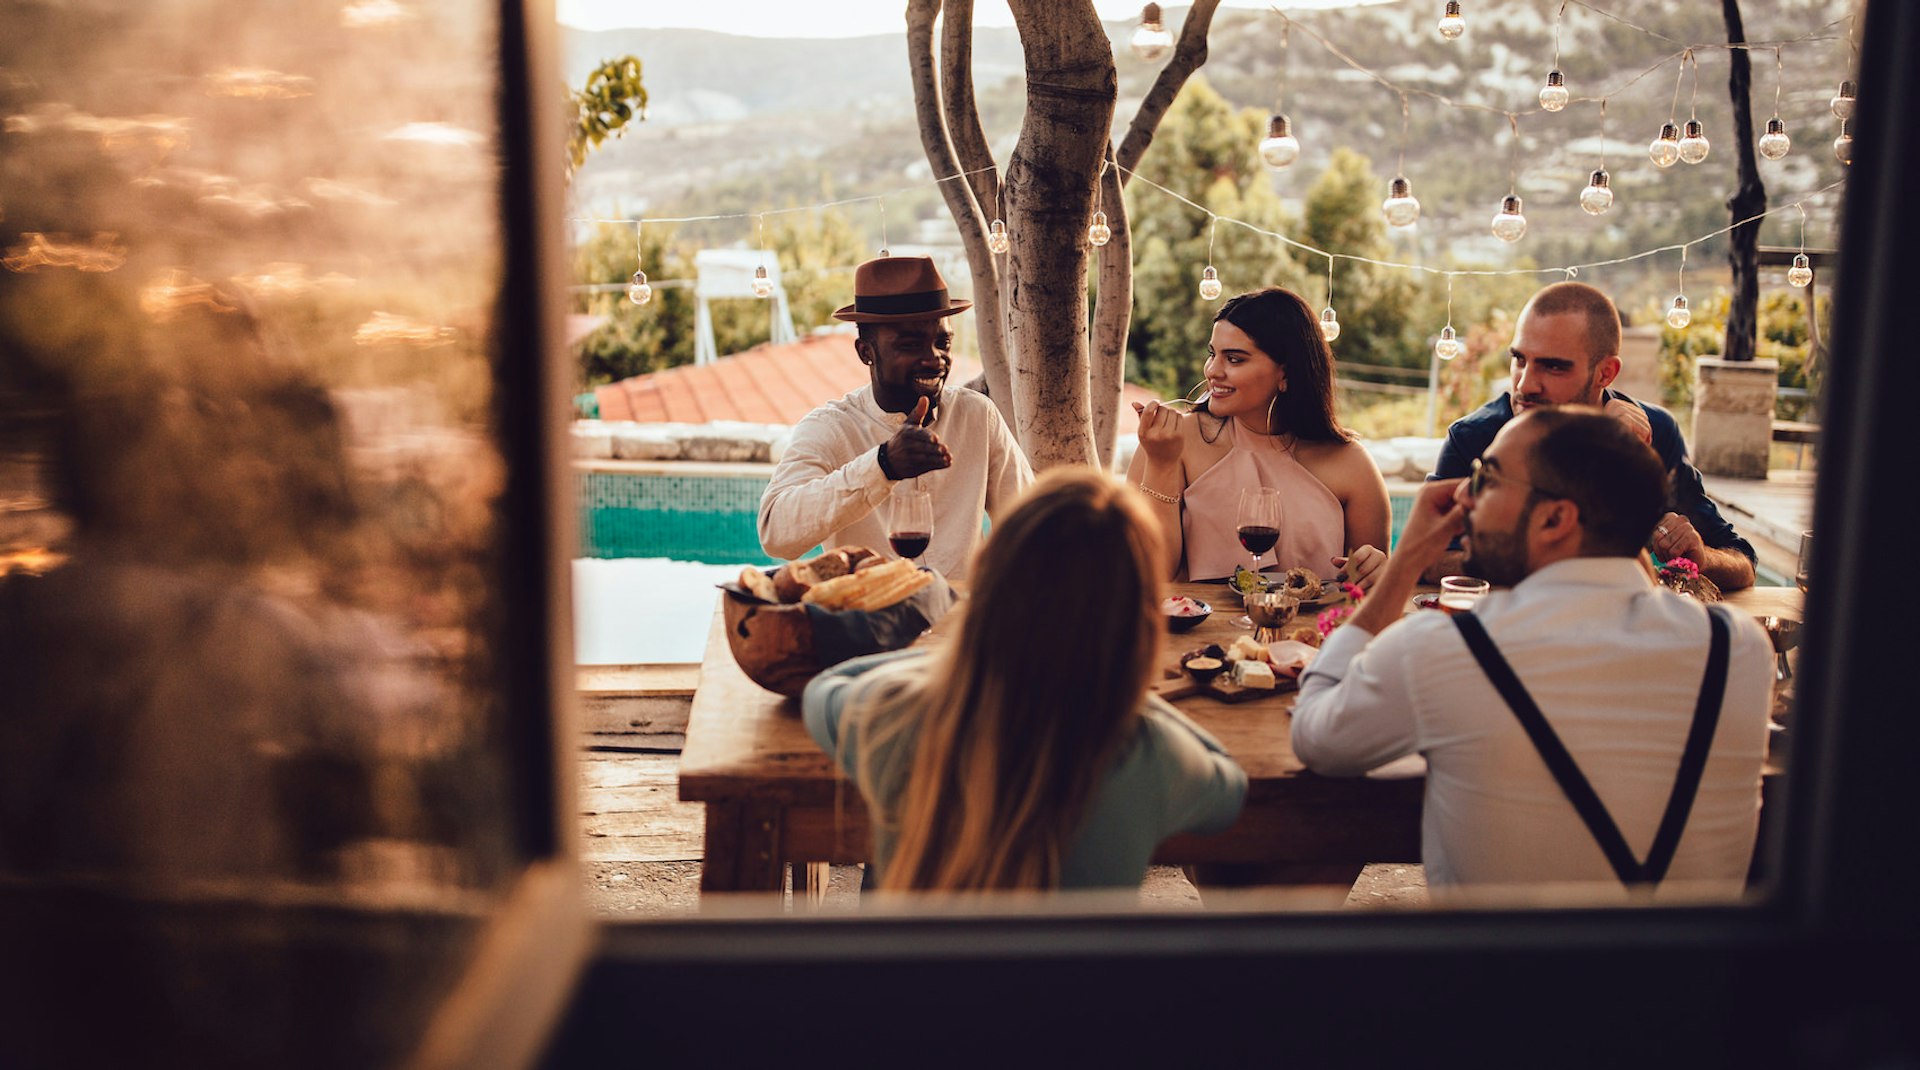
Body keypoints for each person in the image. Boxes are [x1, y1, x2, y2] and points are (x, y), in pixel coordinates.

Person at [1291, 407, 1773, 893]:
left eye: (1488, 478)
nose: (1464, 493)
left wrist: (1406, 560)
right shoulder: (1740, 651)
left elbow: (1316, 736)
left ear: (1556, 518)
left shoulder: (1444, 650)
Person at [801, 468, 1247, 891]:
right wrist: (1130, 693)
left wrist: (952, 664)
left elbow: (824, 687)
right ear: (1138, 620)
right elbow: (1230, 784)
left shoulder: (893, 714)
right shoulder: (1149, 751)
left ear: (988, 584)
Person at [1428, 281, 1756, 590]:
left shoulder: (1652, 434)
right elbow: (1428, 558)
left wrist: (1700, 557)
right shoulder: (1474, 437)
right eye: (1519, 360)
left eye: (1553, 366)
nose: (1525, 385)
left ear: (1605, 373)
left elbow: (1742, 562)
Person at [758, 255, 1032, 580]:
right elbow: (776, 534)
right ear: (866, 352)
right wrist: (883, 465)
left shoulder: (977, 415)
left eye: (942, 342)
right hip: (867, 624)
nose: (935, 359)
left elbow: (1030, 523)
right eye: (910, 345)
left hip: (961, 624)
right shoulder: (829, 428)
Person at [1126, 287, 1390, 586]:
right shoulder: (1171, 442)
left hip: (1311, 632)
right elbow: (1147, 577)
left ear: (1286, 373)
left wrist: (1376, 569)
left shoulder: (1351, 463)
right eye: (1213, 354)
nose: (1213, 371)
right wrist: (1161, 465)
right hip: (1201, 631)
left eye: (1235, 359)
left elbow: (1368, 593)